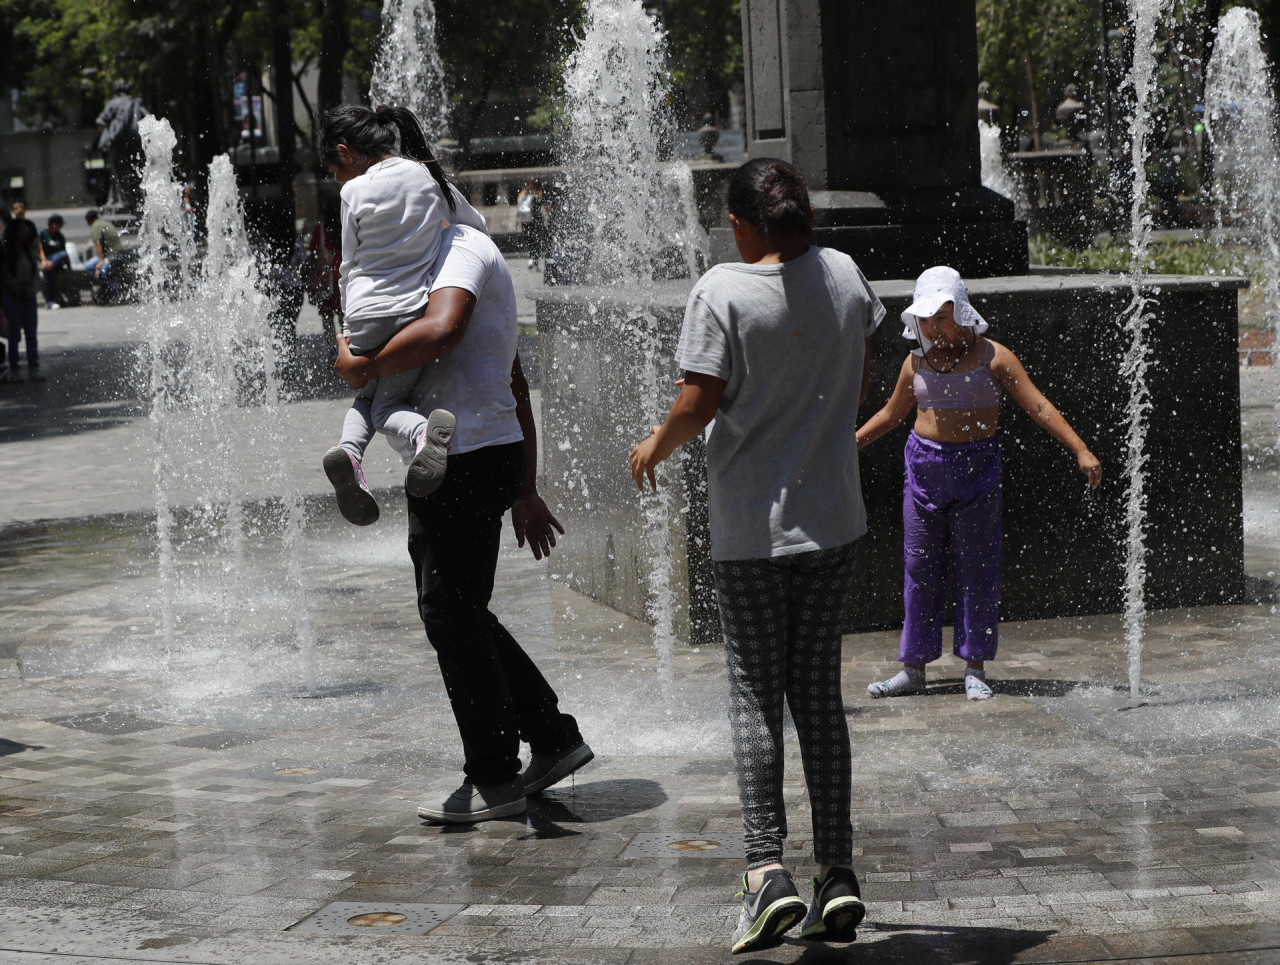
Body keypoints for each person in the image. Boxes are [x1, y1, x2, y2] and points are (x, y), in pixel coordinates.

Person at [630, 158, 881, 954]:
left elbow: (698, 401)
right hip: (834, 521)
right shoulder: (843, 275)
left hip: (750, 533)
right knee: (817, 696)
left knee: (751, 694)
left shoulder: (723, 291)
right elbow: (857, 373)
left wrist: (653, 446)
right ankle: (836, 874)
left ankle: (765, 872)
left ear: (742, 224)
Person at [333, 220, 593, 823]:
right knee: (458, 611)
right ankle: (552, 737)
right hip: (470, 456)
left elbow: (444, 332)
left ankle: (497, 773)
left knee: (449, 612)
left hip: (468, 458)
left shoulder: (460, 250)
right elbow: (515, 380)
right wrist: (525, 486)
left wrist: (359, 365)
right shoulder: (429, 258)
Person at [857, 266, 1102, 701]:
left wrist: (1080, 448)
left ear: (963, 312)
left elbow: (1038, 406)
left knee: (977, 567)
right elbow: (892, 415)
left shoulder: (994, 357)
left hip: (976, 468)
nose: (936, 327)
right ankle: (913, 668)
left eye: (944, 316)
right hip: (923, 469)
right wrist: (850, 444)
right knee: (919, 567)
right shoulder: (915, 362)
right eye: (928, 319)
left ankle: (974, 666)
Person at [317, 103, 490, 526]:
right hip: (411, 312)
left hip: (364, 314)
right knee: (386, 400)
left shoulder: (352, 193)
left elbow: (349, 263)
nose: (335, 178)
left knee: (370, 398)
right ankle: (403, 438)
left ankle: (365, 450)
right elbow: (476, 222)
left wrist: (346, 323)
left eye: (333, 168)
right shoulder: (425, 177)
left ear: (346, 152)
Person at [1, 217, 44, 382]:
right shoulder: (6, 250)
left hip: (28, 295)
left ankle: (34, 368)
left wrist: (30, 290)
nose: (25, 232)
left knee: (31, 333)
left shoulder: (29, 250)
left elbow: (36, 275)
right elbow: (4, 275)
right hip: (12, 295)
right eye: (22, 229)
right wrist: (15, 289)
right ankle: (14, 369)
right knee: (14, 334)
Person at [84, 209, 121, 300]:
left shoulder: (95, 226)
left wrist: (100, 261)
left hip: (112, 256)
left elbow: (97, 243)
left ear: (88, 220)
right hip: (110, 255)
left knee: (102, 272)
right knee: (88, 265)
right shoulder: (104, 223)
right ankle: (103, 285)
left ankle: (114, 293)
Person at [39, 215, 70, 309]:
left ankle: (50, 301)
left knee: (62, 255)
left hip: (53, 263)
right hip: (43, 260)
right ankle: (50, 301)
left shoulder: (60, 236)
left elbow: (63, 253)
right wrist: (44, 260)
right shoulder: (42, 233)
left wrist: (67, 267)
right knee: (49, 273)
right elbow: (38, 248)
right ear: (53, 225)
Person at [515, 176, 545, 271]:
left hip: (533, 219)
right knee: (530, 239)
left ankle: (534, 260)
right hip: (529, 219)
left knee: (534, 239)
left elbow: (540, 201)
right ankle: (532, 258)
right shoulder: (527, 192)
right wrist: (517, 219)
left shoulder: (534, 192)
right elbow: (520, 205)